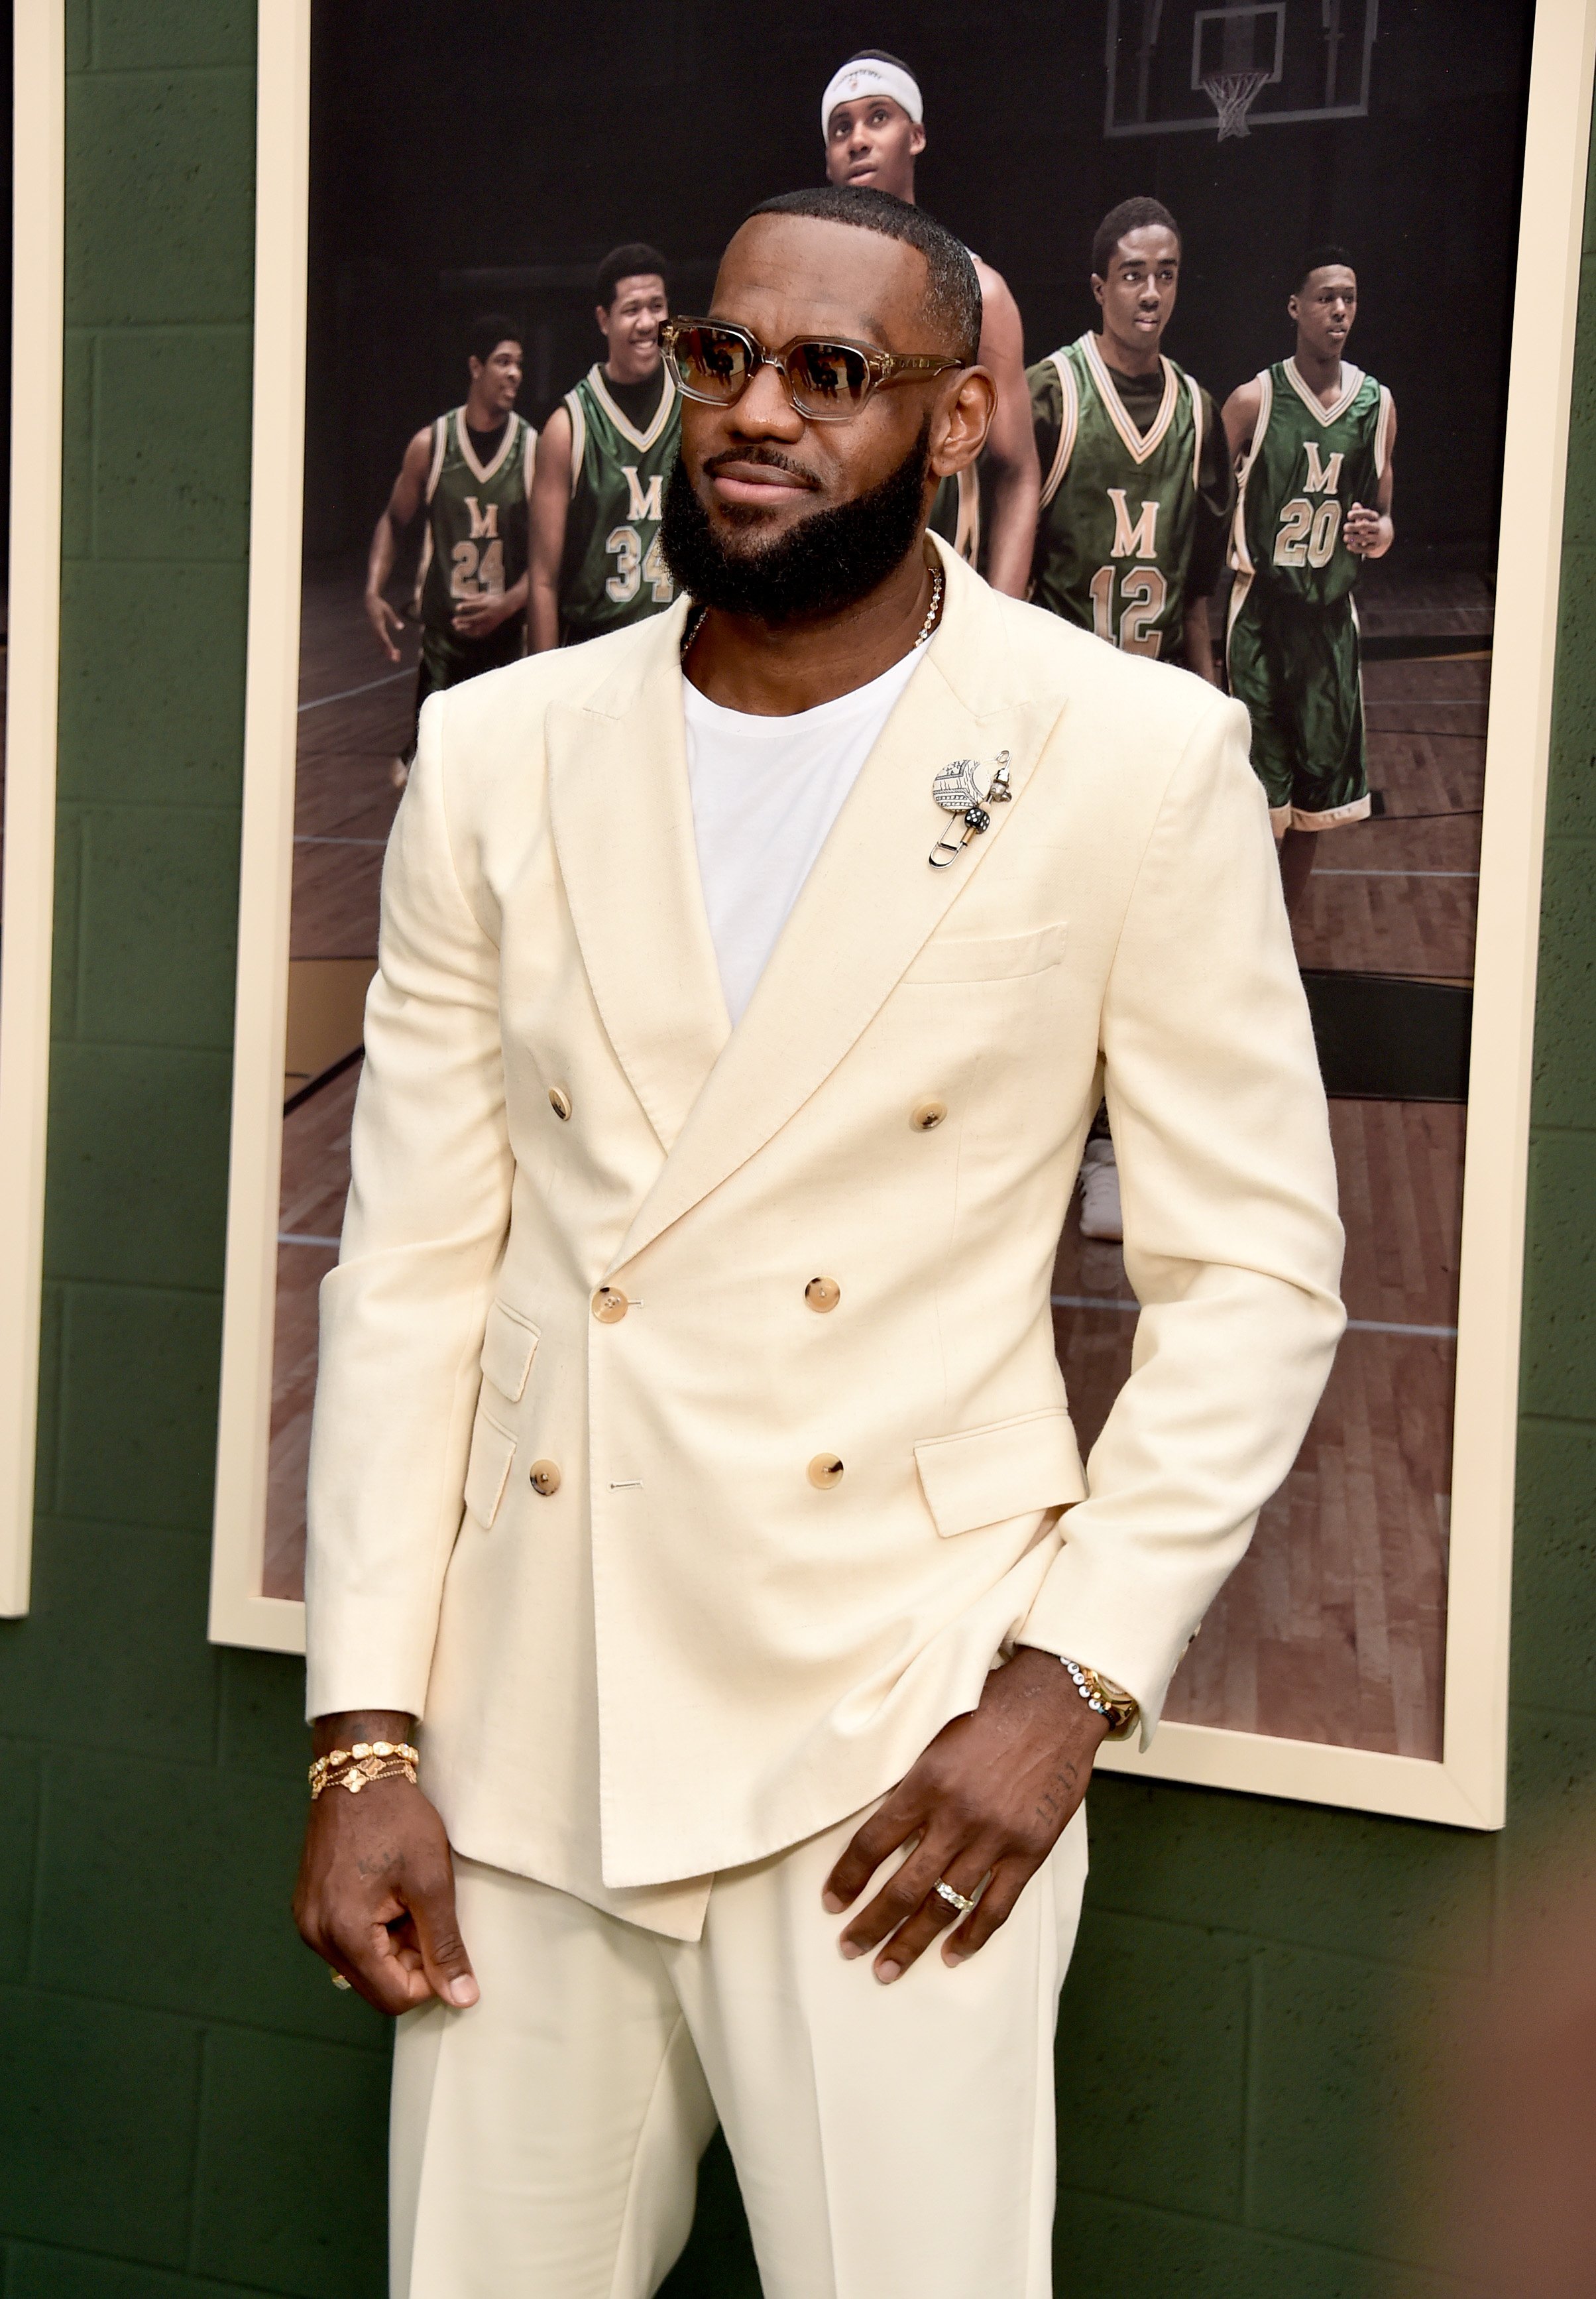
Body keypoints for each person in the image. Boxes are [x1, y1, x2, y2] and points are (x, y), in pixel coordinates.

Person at [295, 184, 1343, 2299]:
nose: (751, 413)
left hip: (900, 1732)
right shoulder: (497, 753)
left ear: (954, 423)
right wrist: (366, 1737)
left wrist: (1063, 1689)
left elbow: (1251, 1281)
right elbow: (407, 1268)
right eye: (717, 358)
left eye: (829, 375)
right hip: (529, 1720)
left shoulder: (1129, 757)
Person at [1027, 197, 1233, 1241]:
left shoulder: (1198, 412)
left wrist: (1211, 699)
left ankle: (1108, 1145)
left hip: (1148, 714)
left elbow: (1197, 588)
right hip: (1062, 714)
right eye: (1133, 274)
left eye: (1168, 272)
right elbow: (1005, 570)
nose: (1152, 292)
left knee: (1135, 947)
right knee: (1044, 942)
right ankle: (1036, 1137)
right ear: (1099, 284)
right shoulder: (1051, 396)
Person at [821, 49, 1041, 597]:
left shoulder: (978, 290)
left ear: (915, 136)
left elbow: (1017, 473)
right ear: (828, 159)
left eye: (878, 117)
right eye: (841, 127)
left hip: (935, 602)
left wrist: (1001, 623)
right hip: (825, 596)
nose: (858, 139)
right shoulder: (805, 293)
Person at [1222, 247, 1396, 912]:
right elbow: (1205, 496)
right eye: (1325, 297)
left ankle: (1283, 943)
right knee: (1259, 805)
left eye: (1349, 297)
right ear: (1294, 307)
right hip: (1261, 617)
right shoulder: (1252, 400)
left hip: (1328, 622)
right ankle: (1243, 935)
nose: (1339, 310)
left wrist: (1378, 537)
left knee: (1313, 807)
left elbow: (1385, 518)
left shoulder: (1376, 406)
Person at [364, 314, 534, 784]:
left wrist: (508, 604)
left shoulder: (533, 449)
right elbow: (394, 522)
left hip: (506, 646)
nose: (515, 373)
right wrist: (374, 591)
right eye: (503, 361)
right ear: (475, 367)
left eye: (520, 363)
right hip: (443, 647)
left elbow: (549, 559)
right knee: (420, 782)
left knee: (499, 783)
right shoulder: (431, 445)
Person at [529, 243, 681, 650]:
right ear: (604, 320)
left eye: (657, 306)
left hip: (682, 651)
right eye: (632, 310)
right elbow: (543, 580)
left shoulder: (698, 403)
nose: (648, 323)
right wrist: (543, 687)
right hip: (596, 651)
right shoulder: (569, 426)